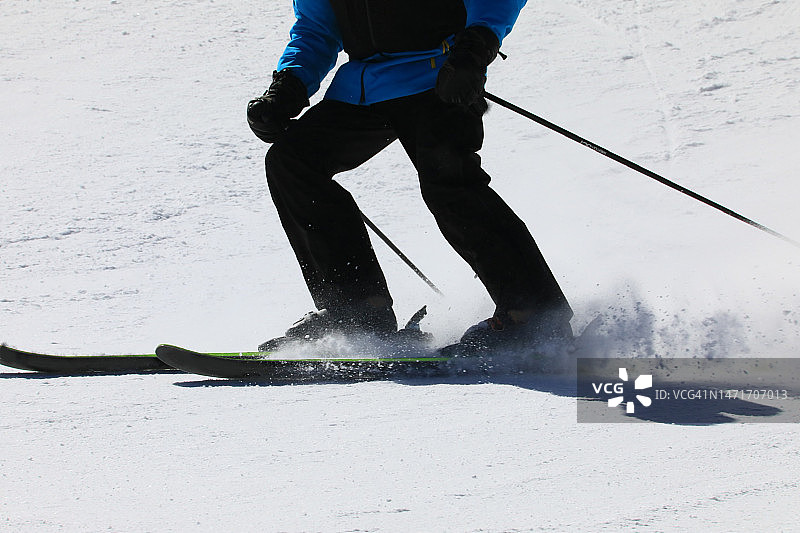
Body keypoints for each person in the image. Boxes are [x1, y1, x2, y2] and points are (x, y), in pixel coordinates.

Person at [248, 0, 573, 353]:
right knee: (292, 161)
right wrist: (288, 87)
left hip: (441, 76)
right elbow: (317, 28)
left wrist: (474, 49)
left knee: (448, 180)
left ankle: (532, 314)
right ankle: (357, 310)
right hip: (365, 86)